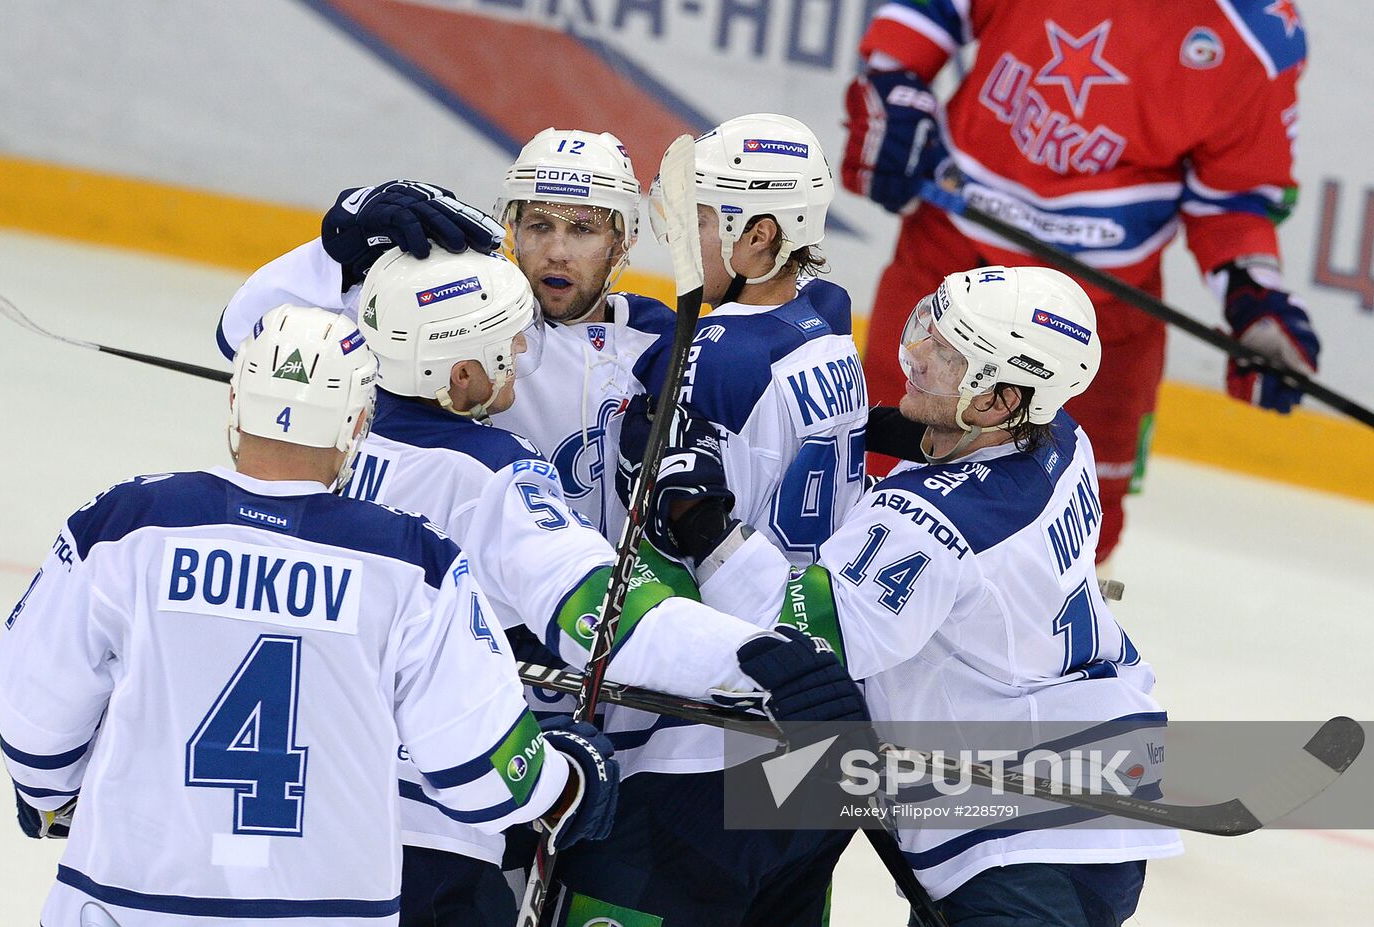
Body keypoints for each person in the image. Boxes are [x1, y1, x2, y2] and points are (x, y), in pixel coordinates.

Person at [217, 249, 867, 926]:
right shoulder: (490, 476)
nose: (524, 350)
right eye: (507, 341)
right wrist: (766, 661)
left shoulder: (315, 448)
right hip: (429, 836)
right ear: (461, 372)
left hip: (288, 818)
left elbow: (254, 337)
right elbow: (612, 624)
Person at [0, 304, 620, 927]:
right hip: (319, 909)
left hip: (120, 902)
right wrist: (565, 783)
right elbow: (476, 765)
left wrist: (50, 797)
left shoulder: (125, 524)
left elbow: (32, 701)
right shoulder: (413, 563)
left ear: (234, 406)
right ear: (357, 426)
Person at [693, 266, 1184, 926]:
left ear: (999, 399)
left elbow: (793, 633)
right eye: (932, 328)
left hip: (1021, 848)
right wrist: (884, 428)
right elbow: (963, 468)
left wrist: (699, 522)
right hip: (1094, 804)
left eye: (950, 354)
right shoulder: (1065, 441)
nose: (919, 352)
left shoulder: (922, 524)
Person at [842, 0, 1320, 561]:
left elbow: (1235, 198)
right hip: (952, 260)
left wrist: (1253, 295)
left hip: (1104, 312)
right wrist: (896, 80)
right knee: (873, 458)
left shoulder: (1261, 33)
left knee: (1079, 520)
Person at [546, 113, 870, 927]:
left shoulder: (705, 358)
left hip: (706, 739)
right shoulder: (827, 318)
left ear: (759, 236)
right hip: (819, 736)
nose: (676, 237)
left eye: (700, 220)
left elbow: (646, 538)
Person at [218, 129, 669, 542]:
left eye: (583, 230)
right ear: (511, 227)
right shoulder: (442, 306)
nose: (556, 252)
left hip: (576, 608)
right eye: (539, 226)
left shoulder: (655, 342)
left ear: (622, 242)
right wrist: (336, 255)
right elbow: (238, 333)